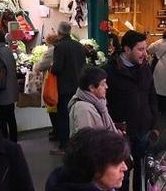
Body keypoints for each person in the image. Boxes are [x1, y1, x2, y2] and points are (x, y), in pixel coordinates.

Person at [104, 29, 157, 191]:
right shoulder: (110, 70)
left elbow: (151, 94)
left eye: (145, 49)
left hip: (143, 129)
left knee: (143, 174)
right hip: (122, 132)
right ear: (127, 49)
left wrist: (154, 123)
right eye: (140, 49)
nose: (145, 53)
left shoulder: (145, 67)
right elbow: (105, 103)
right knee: (122, 175)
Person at [50, 21, 87, 150]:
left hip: (64, 87)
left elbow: (57, 68)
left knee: (64, 116)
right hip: (79, 86)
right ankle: (77, 143)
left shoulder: (60, 47)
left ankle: (64, 144)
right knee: (76, 116)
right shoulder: (79, 46)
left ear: (59, 33)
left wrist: (51, 68)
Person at [34, 33, 63, 153]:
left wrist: (35, 66)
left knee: (52, 108)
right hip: (60, 83)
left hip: (51, 82)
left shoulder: (50, 51)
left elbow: (41, 66)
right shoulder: (61, 49)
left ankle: (57, 131)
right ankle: (57, 131)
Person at [70, 66, 116, 132]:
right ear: (91, 88)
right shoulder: (83, 109)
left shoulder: (98, 103)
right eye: (103, 84)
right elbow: (86, 139)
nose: (106, 87)